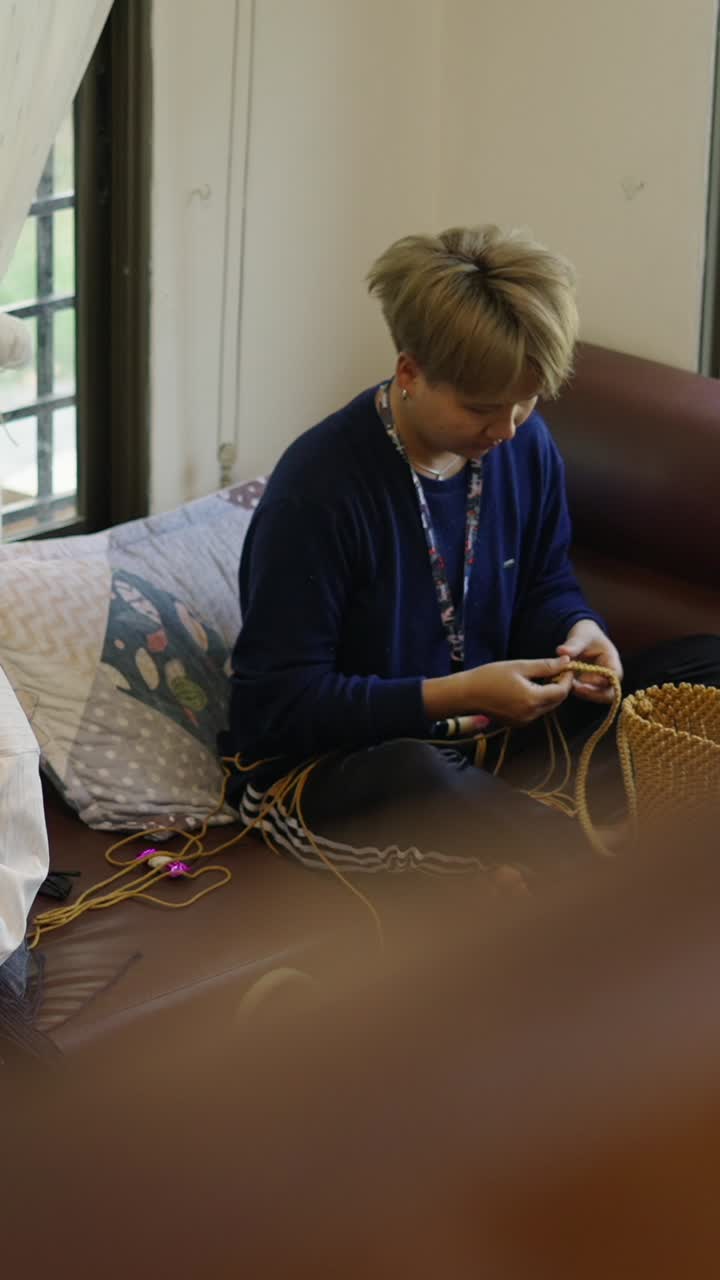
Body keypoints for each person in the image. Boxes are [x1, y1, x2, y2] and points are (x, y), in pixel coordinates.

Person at [221, 225, 719, 887]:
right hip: (336, 764)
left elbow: (544, 579)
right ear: (410, 372)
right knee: (418, 773)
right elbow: (277, 708)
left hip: (488, 732)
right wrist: (455, 694)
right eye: (483, 408)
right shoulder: (318, 492)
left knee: (705, 662)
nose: (508, 428)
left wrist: (580, 630)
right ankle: (597, 875)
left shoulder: (524, 443)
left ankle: (556, 840)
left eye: (527, 401)